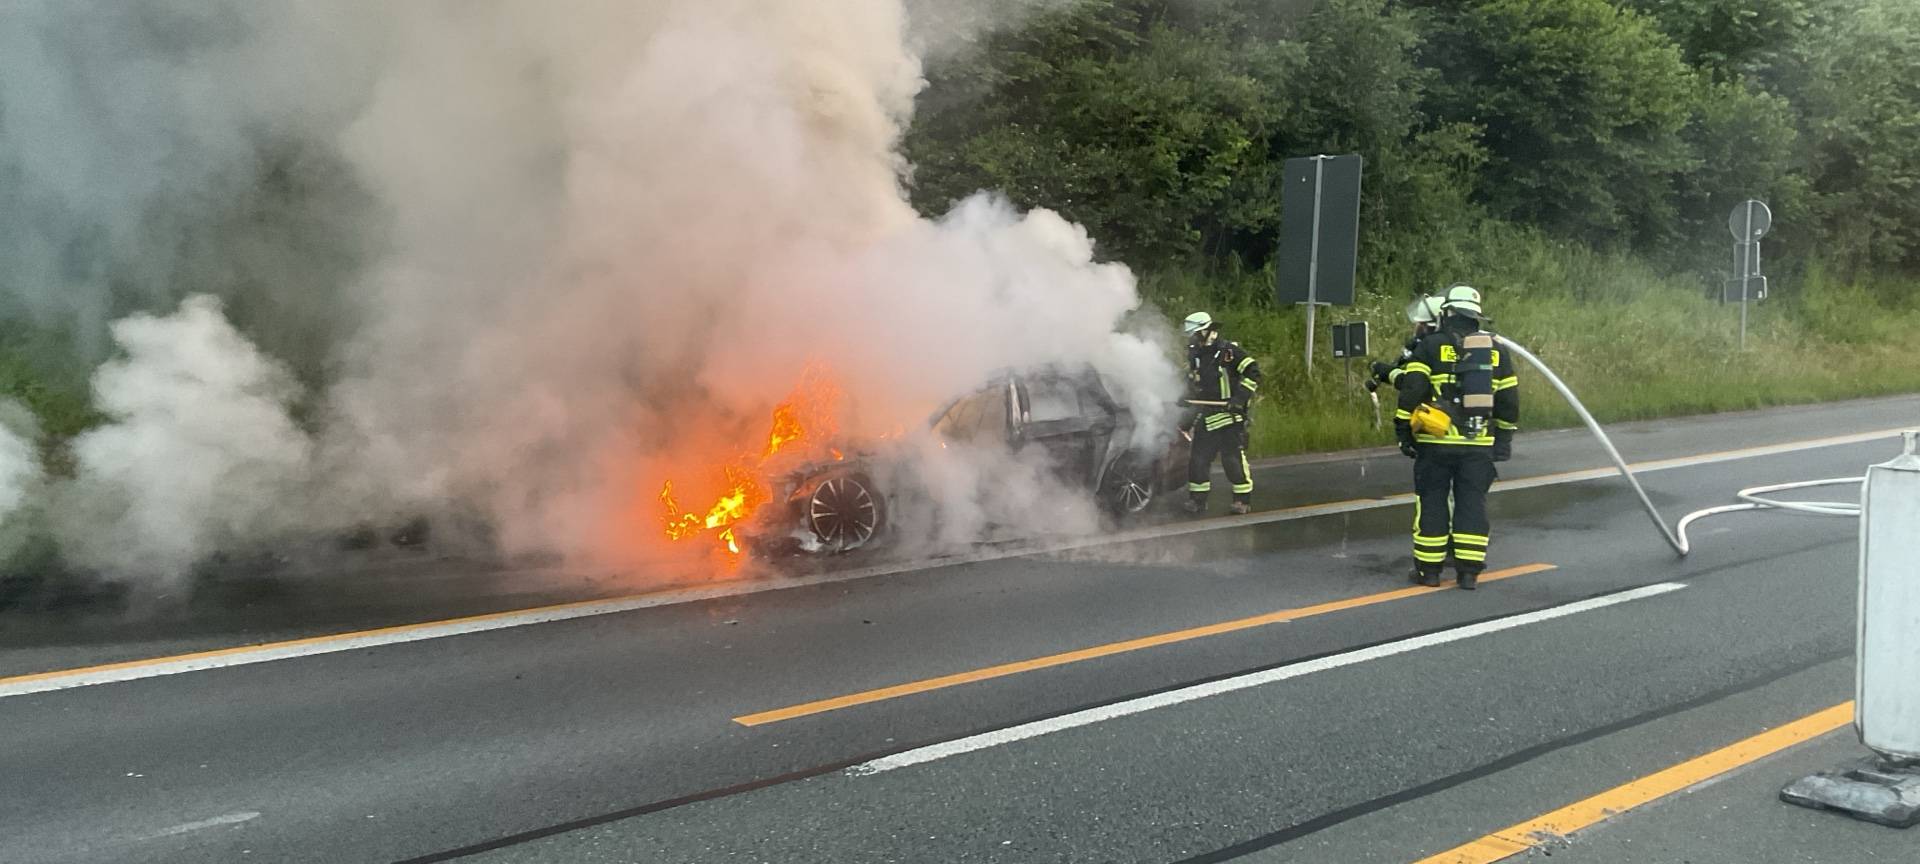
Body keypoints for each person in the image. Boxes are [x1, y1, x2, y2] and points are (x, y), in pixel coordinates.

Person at [1392, 285, 1519, 589]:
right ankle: (1469, 573)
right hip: (1478, 445)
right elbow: (1508, 401)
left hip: (1435, 443)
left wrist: (1403, 430)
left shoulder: (1430, 346)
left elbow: (1412, 390)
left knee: (1432, 502)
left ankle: (1429, 572)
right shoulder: (1496, 350)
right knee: (1472, 503)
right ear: (1476, 316)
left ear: (1447, 312)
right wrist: (1503, 440)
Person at [1180, 311, 1262, 515]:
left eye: (1196, 334)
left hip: (1229, 416)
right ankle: (1197, 501)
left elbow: (1253, 372)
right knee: (1198, 460)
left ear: (1209, 331)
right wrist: (1184, 397)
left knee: (1231, 459)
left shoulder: (1229, 351)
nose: (1194, 339)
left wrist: (1239, 399)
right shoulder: (1196, 354)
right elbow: (1193, 382)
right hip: (1207, 416)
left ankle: (1242, 500)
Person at [1369, 294, 1445, 393]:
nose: (1418, 328)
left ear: (1435, 326)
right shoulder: (1441, 346)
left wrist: (1389, 372)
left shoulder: (1433, 351)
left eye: (1423, 325)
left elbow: (1413, 384)